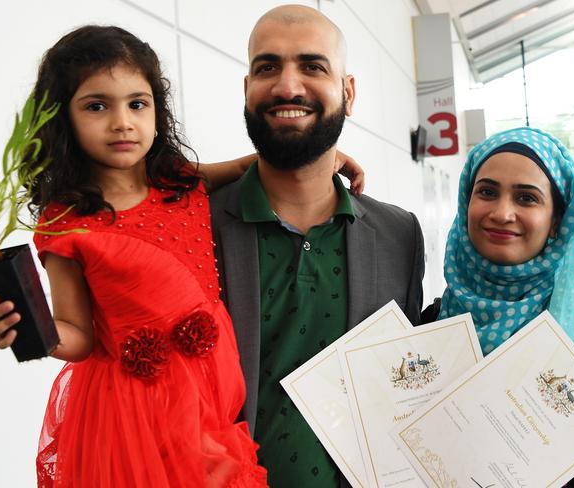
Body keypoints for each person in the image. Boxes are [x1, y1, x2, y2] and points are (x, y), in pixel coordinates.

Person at [0, 25, 273, 488]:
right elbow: (79, 337)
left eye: (137, 103)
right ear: (62, 119)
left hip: (212, 395)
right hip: (132, 414)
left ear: (157, 110)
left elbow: (255, 165)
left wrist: (329, 160)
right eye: (97, 106)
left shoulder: (182, 181)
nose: (122, 121)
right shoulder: (67, 222)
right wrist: (32, 330)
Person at [209, 5, 425, 488]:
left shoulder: (400, 236)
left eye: (313, 66)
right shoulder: (195, 226)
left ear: (347, 93)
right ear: (247, 91)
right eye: (267, 67)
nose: (288, 86)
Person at [421, 126, 574, 486]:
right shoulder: (429, 326)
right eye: (487, 192)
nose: (502, 212)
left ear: (557, 219)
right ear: (466, 202)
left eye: (526, 198)